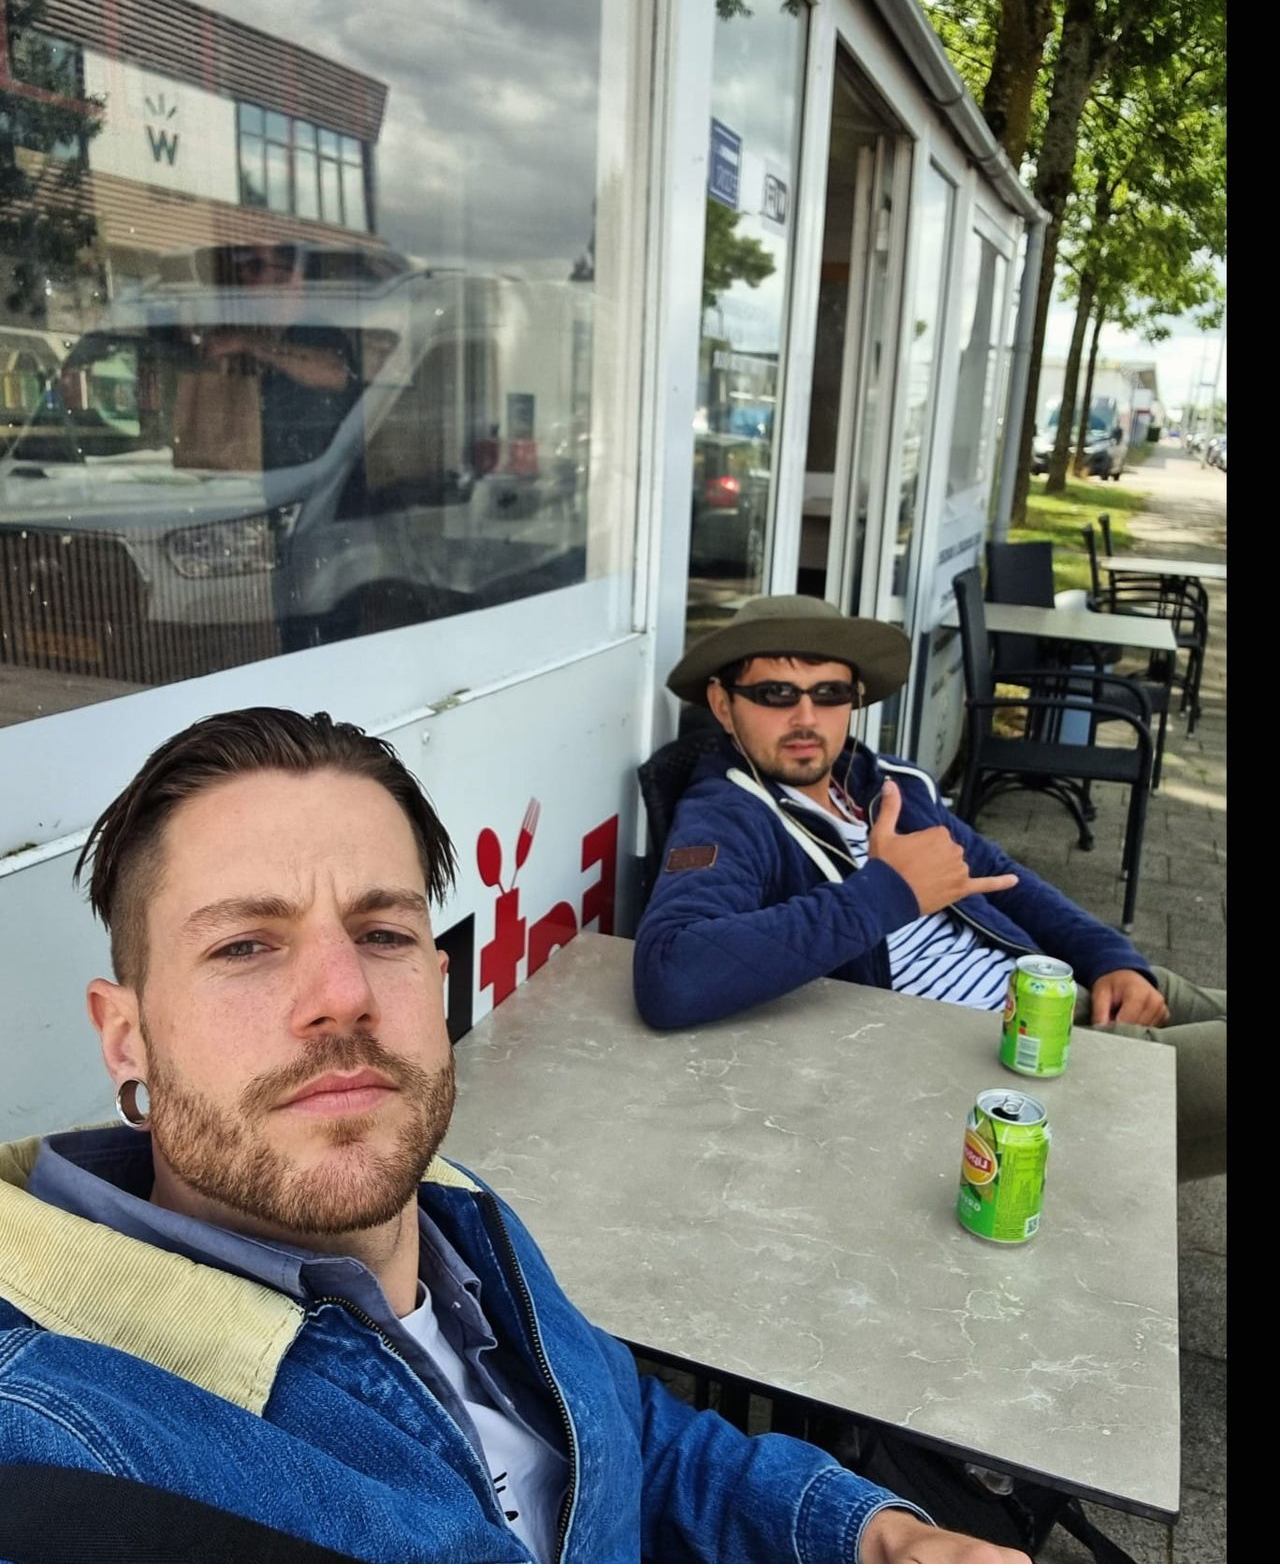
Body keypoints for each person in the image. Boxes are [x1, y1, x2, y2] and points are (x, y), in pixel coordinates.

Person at [0, 706, 1030, 1564]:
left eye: (384, 933)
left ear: (436, 979)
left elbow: (622, 1433)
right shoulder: (60, 1448)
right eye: (243, 945)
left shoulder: (450, 1207)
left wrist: (862, 1531)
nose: (344, 994)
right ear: (126, 1036)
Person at [632, 595, 1225, 1181]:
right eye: (776, 694)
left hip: (1045, 993)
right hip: (998, 1075)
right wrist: (888, 891)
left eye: (830, 693)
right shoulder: (729, 814)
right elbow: (671, 971)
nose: (806, 718)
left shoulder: (883, 782)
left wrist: (1110, 958)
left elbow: (1004, 878)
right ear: (724, 704)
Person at [205, 242, 360, 469]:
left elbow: (336, 373)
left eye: (255, 266)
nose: (244, 275)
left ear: (287, 278)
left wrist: (247, 342)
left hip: (316, 484)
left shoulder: (319, 333)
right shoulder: (273, 336)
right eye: (242, 267)